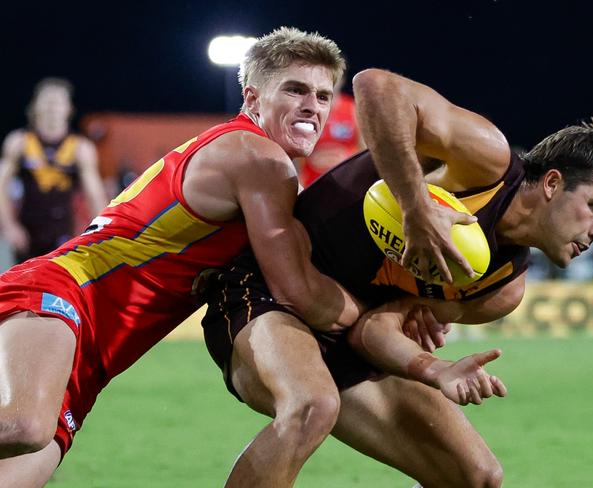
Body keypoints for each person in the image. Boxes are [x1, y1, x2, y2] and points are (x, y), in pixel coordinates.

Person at [201, 68, 593, 487]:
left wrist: (437, 371)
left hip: (343, 328)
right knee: (312, 405)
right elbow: (374, 86)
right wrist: (415, 206)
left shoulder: (502, 289)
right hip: (268, 291)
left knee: (474, 477)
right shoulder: (484, 161)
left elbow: (373, 332)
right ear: (551, 183)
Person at [0, 27, 375, 487]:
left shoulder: (270, 175)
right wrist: (377, 315)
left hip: (97, 359)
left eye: (321, 95)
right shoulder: (256, 155)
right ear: (252, 98)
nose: (312, 107)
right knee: (25, 427)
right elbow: (296, 289)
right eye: (294, 90)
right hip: (66, 292)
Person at [0, 78, 107, 263]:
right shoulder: (19, 142)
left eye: (58, 101)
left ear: (69, 109)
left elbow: (95, 195)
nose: (52, 107)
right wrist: (9, 225)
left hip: (62, 236)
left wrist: (103, 232)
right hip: (25, 236)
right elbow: (1, 186)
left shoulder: (81, 148)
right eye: (47, 100)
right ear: (35, 106)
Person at [297, 77, 364, 187]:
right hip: (312, 184)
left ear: (341, 80)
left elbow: (364, 150)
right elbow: (296, 153)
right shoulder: (306, 111)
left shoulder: (353, 109)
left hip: (347, 182)